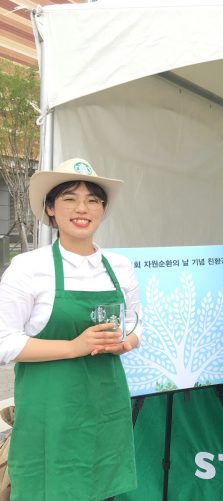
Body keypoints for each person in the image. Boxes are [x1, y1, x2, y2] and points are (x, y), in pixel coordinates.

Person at [0, 158, 142, 500]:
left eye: (93, 200)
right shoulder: (28, 267)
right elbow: (4, 342)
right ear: (50, 208)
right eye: (69, 199)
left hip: (105, 408)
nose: (82, 208)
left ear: (102, 210)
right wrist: (74, 346)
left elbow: (137, 325)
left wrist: (125, 342)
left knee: (102, 490)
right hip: (50, 412)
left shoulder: (120, 266)